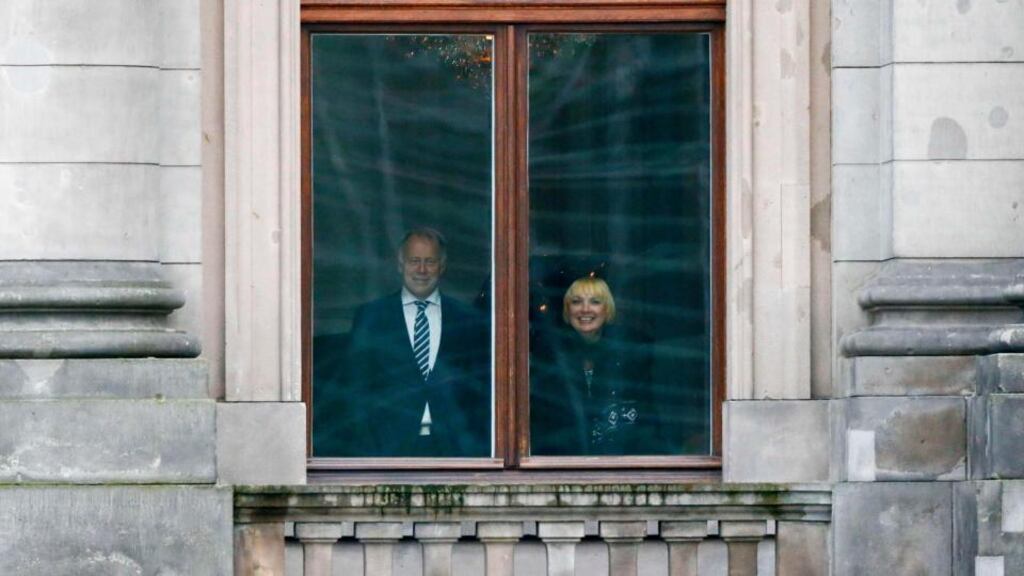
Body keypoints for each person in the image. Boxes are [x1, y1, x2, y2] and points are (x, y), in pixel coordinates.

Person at [341, 227, 490, 457]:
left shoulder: (468, 320)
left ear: (442, 266)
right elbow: (355, 391)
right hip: (387, 452)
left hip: (456, 452)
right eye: (414, 261)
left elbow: (481, 392)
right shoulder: (371, 317)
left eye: (430, 261)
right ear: (400, 265)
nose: (421, 270)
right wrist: (368, 454)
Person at [530, 276, 652, 456]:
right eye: (576, 302)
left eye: (595, 302)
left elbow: (644, 419)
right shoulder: (550, 356)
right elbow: (542, 421)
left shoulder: (628, 357)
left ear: (607, 309)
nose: (585, 309)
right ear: (567, 310)